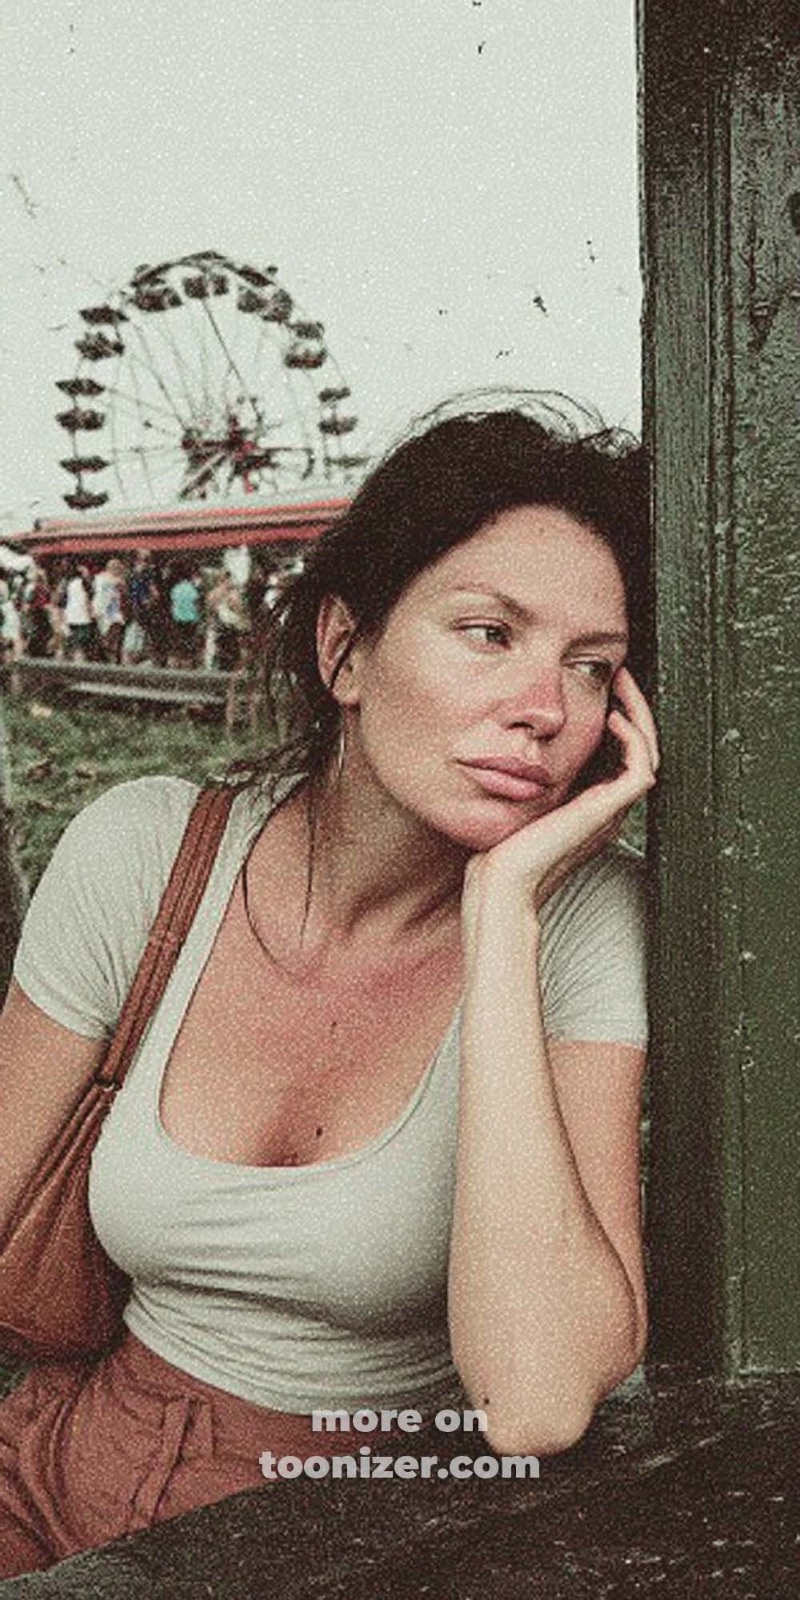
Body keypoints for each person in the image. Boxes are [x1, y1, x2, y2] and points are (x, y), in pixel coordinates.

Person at [0, 393, 658, 1576]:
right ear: (343, 650)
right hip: (49, 1470)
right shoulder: (145, 853)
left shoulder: (577, 920)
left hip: (344, 1514)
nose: (543, 709)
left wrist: (500, 911)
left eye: (590, 666)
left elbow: (538, 1399)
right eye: (488, 633)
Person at [91, 558, 127, 665]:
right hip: (103, 611)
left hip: (112, 611)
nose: (116, 569)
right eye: (114, 566)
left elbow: (123, 594)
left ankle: (112, 660)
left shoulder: (118, 580)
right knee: (105, 638)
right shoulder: (101, 578)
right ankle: (107, 659)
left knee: (112, 637)